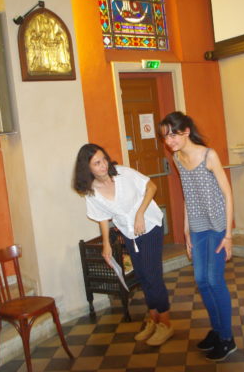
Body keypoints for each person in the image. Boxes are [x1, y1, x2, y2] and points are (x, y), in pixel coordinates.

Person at [73, 143, 173, 346]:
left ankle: (165, 323)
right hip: (129, 232)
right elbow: (102, 217)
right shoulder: (91, 191)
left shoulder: (123, 174)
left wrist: (140, 213)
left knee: (152, 275)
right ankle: (153, 319)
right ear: (87, 168)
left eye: (104, 159)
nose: (103, 165)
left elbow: (151, 187)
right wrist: (106, 245)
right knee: (142, 276)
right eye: (97, 163)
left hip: (149, 225)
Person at [159, 112, 236, 362]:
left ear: (186, 132)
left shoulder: (208, 155)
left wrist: (228, 235)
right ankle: (217, 331)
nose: (169, 141)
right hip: (197, 226)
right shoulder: (177, 158)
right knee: (201, 280)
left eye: (173, 135)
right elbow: (188, 194)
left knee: (214, 280)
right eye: (165, 137)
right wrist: (186, 230)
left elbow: (228, 194)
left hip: (217, 226)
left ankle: (227, 339)